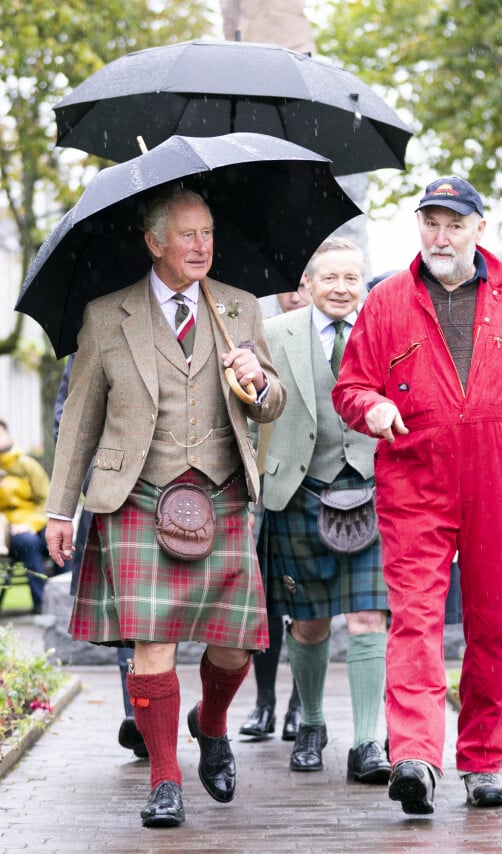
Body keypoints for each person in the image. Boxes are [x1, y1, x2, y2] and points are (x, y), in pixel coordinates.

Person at [45, 185, 286, 829]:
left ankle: (210, 723)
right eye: (187, 235)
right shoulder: (105, 316)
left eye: (207, 232)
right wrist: (60, 509)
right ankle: (164, 780)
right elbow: (79, 423)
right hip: (137, 495)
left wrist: (259, 380)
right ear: (154, 244)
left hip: (222, 494)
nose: (202, 245)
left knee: (237, 645)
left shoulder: (238, 309)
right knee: (153, 646)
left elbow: (271, 403)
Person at [332, 176, 502, 814]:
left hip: (499, 483)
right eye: (430, 222)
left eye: (454, 224)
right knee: (417, 620)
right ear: (419, 228)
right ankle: (414, 758)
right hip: (413, 479)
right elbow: (349, 387)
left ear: (478, 229)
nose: (441, 235)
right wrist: (372, 406)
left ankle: (483, 763)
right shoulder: (387, 301)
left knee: (495, 625)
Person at [258, 237, 390, 784]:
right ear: (306, 285)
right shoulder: (270, 335)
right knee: (308, 624)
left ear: (363, 283)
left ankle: (367, 741)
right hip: (299, 492)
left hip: (370, 493)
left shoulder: (385, 333)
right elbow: (253, 410)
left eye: (351, 279)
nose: (341, 288)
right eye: (329, 278)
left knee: (368, 617)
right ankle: (311, 723)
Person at [53, 355, 148, 759]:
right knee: (128, 614)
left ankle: (187, 714)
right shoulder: (96, 333)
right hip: (113, 498)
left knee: (172, 616)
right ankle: (140, 718)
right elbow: (68, 420)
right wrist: (102, 474)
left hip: (184, 496)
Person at [239, 285, 312, 742]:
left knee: (308, 607)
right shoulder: (260, 336)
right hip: (269, 483)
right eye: (292, 286)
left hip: (318, 486)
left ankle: (301, 707)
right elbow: (245, 415)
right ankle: (264, 704)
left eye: (307, 283)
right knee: (265, 604)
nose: (298, 293)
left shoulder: (338, 337)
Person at [0, 420, 57, 613]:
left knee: (57, 541)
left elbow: (46, 499)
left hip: (36, 520)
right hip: (8, 528)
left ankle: (65, 599)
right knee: (27, 542)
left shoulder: (27, 465)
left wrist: (31, 523)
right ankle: (41, 601)